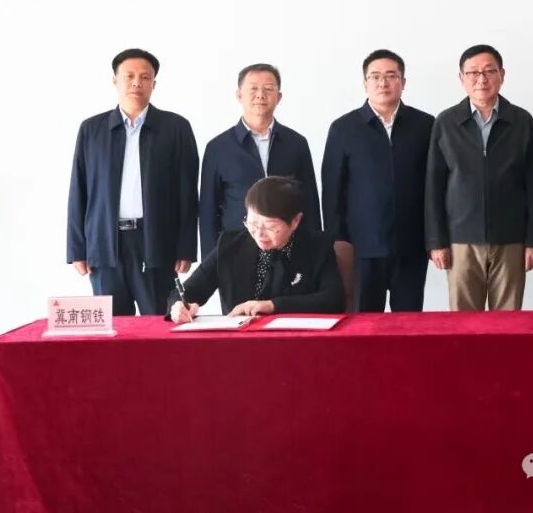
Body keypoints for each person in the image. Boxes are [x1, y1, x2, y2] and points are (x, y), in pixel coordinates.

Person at [67, 48, 198, 315]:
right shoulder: (92, 129)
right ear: (115, 80)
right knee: (113, 328)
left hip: (157, 242)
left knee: (159, 323)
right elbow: (78, 190)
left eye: (145, 77)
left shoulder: (176, 128)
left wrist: (186, 247)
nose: (137, 83)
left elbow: (187, 192)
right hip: (105, 244)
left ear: (154, 84)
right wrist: (77, 248)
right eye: (129, 76)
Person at [425, 44, 533, 311]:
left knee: (508, 322)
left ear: (502, 75)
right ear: (462, 78)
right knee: (464, 323)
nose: (481, 79)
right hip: (460, 241)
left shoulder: (521, 121)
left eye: (489, 71)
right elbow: (433, 187)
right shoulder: (446, 122)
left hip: (511, 239)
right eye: (473, 72)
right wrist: (437, 242)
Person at [321, 49, 435, 312]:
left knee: (408, 324)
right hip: (361, 249)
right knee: (363, 324)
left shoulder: (425, 125)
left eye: (391, 76)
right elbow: (332, 191)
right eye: (375, 76)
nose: (383, 83)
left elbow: (434, 187)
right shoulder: (344, 128)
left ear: (403, 82)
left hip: (412, 246)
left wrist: (434, 239)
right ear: (365, 83)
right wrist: (337, 242)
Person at [169, 176, 344, 320]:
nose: (260, 234)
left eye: (270, 227)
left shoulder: (317, 246)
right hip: (241, 342)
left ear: (295, 221)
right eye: (252, 223)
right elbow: (187, 291)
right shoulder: (229, 245)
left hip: (297, 341)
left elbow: (333, 299)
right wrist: (178, 306)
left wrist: (272, 305)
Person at [198, 63, 321, 258]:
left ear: (279, 97)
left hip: (289, 247)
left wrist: (316, 252)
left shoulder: (296, 143)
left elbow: (310, 201)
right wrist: (211, 260)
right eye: (253, 89)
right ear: (239, 95)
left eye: (268, 89)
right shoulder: (218, 147)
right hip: (237, 249)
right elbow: (208, 209)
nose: (260, 95)